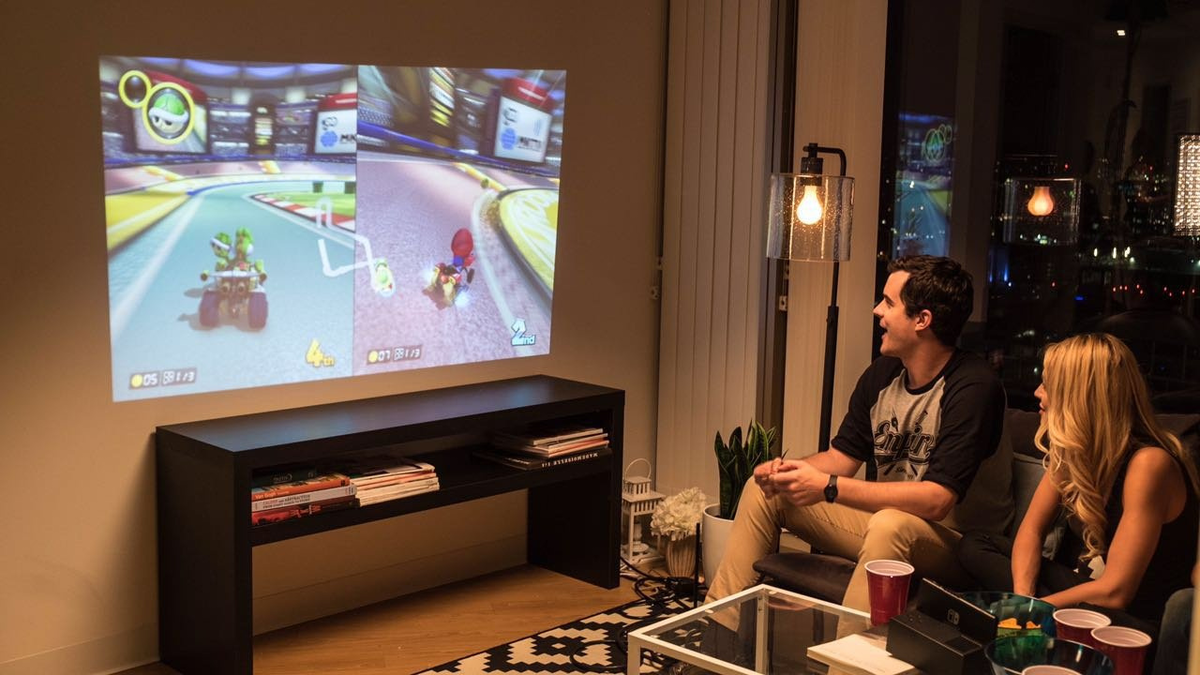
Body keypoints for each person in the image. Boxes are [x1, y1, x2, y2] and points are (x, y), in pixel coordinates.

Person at [705, 255, 1011, 612]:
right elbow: (841, 458)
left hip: (962, 549)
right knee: (765, 491)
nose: (877, 310)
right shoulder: (883, 374)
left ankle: (848, 649)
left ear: (922, 320)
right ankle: (718, 626)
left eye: (889, 303)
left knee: (889, 525)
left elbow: (936, 500)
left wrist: (829, 487)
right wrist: (787, 471)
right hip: (890, 526)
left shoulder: (973, 386)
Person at [957, 333, 1200, 639]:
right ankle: (1035, 621)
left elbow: (1116, 592)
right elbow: (1031, 531)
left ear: (1078, 396)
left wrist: (1035, 610)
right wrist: (1024, 599)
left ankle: (1034, 624)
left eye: (1048, 385)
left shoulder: (1149, 464)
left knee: (1067, 609)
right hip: (1088, 595)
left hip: (1133, 620)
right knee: (976, 543)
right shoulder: (1074, 453)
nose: (1037, 392)